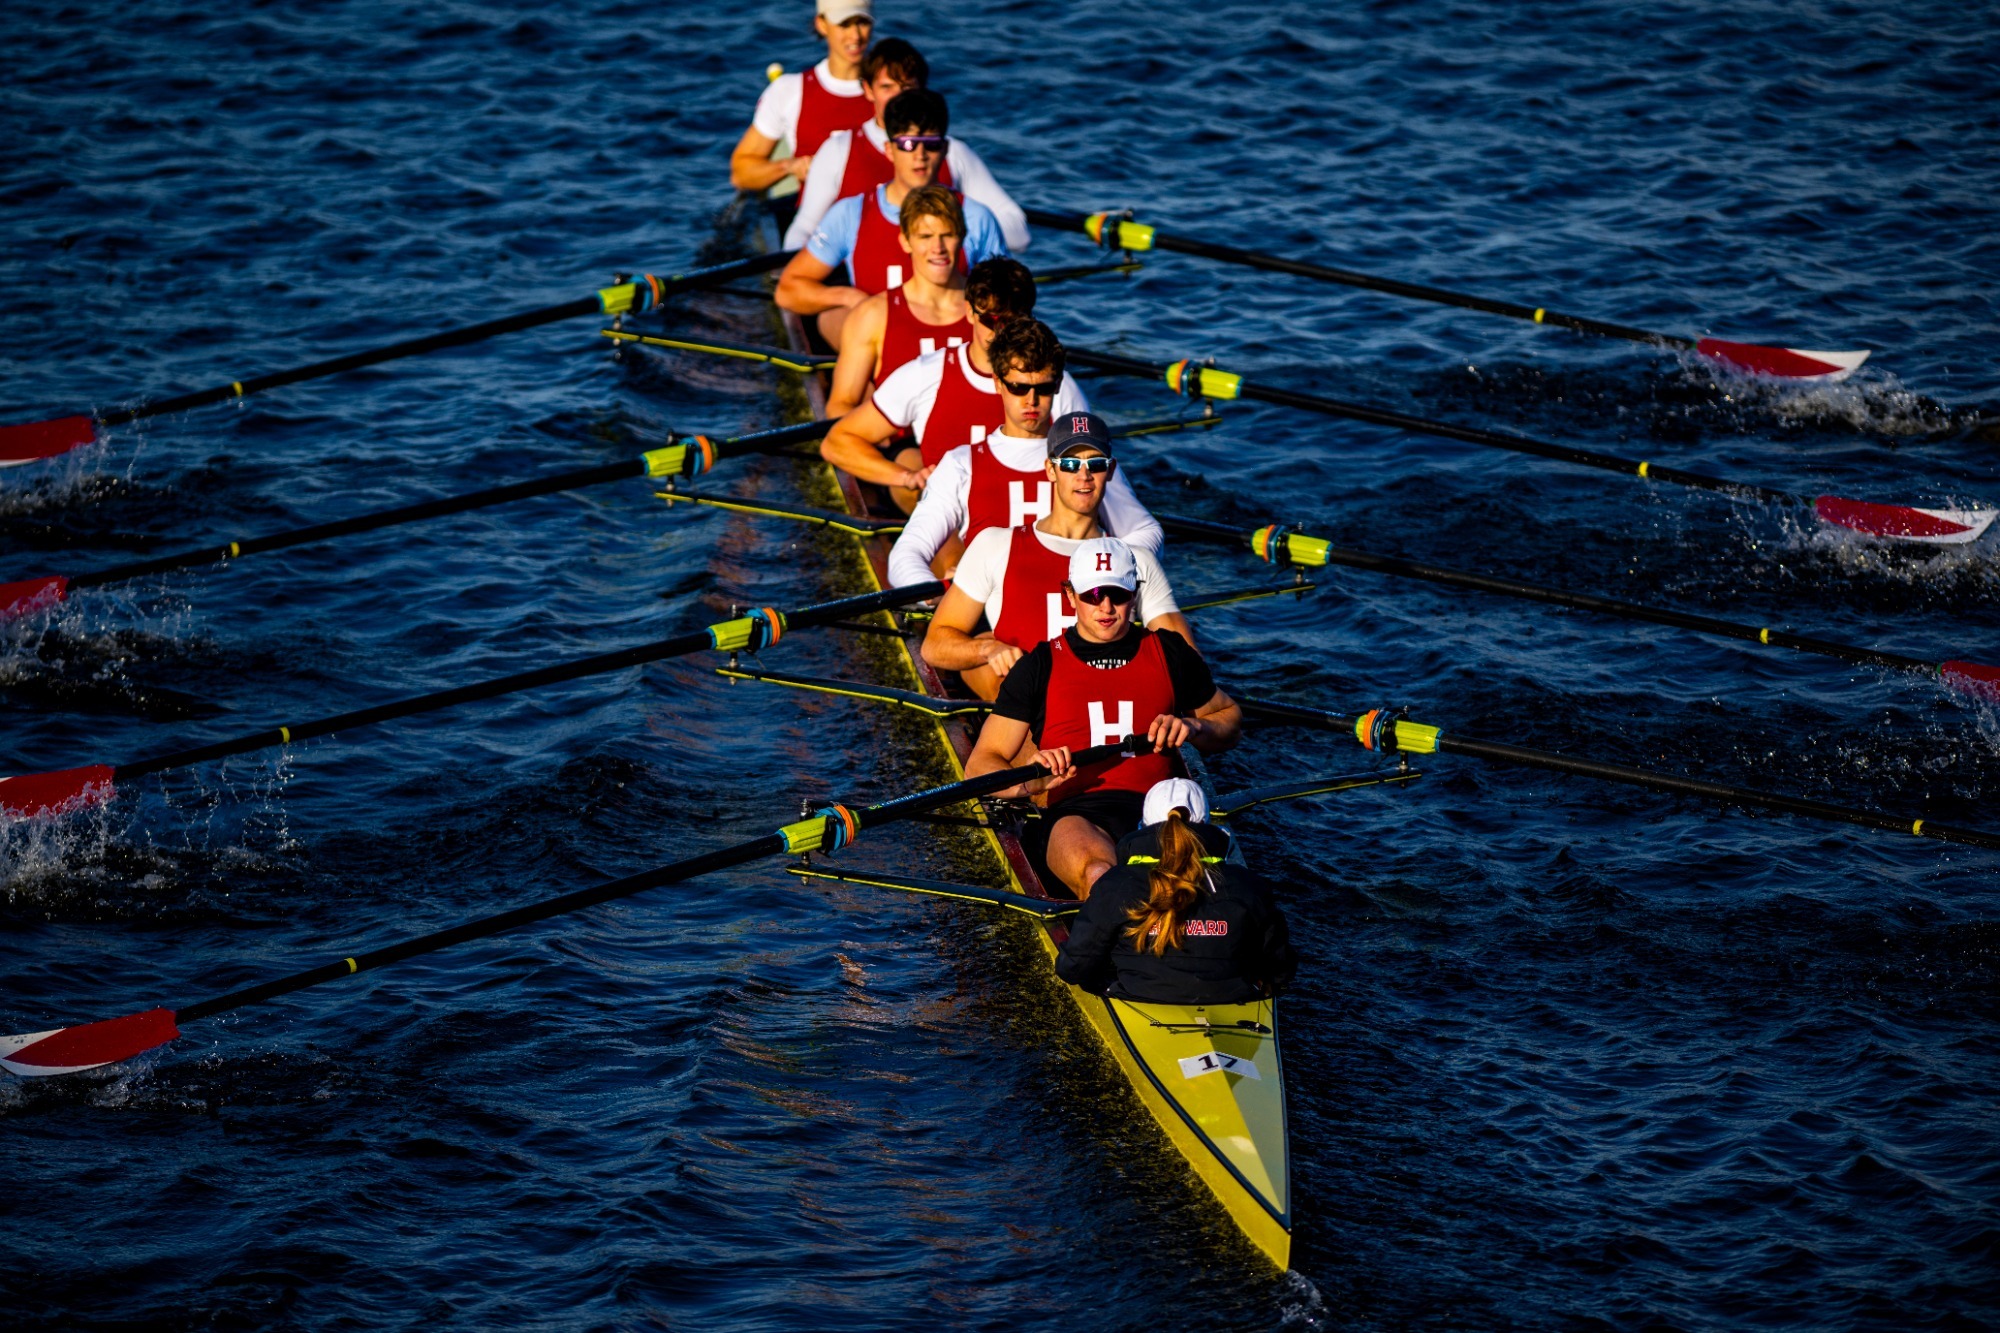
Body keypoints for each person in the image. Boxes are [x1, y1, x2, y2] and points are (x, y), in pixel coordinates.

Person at [965, 538, 1242, 899]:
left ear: (1135, 594)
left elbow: (1231, 719)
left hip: (1162, 811)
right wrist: (1033, 784)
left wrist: (1195, 726)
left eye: (1119, 594)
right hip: (1078, 815)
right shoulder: (1039, 666)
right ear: (1070, 595)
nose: (1106, 607)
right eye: (1092, 595)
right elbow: (980, 766)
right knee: (1100, 875)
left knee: (1178, 894)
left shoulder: (1169, 652)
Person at [921, 410, 1188, 699]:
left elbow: (1187, 665)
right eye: (1071, 464)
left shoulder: (1137, 560)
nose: (1084, 476)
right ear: (1050, 470)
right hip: (1029, 716)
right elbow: (935, 644)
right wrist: (988, 649)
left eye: (1095, 464)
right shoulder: (995, 545)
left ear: (1110, 471)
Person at [879, 320, 1155, 569]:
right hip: (988, 611)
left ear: (1058, 385)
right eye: (1019, 388)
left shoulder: (1086, 461)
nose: (1031, 401)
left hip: (1082, 608)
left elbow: (1146, 531)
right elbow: (907, 553)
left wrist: (1112, 573)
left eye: (1043, 389)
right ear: (998, 383)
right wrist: (934, 591)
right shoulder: (961, 464)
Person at [776, 87, 1011, 346]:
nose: (920, 156)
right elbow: (788, 290)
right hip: (880, 346)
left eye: (930, 144)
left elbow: (1007, 304)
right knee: (834, 320)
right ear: (889, 150)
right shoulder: (850, 213)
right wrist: (848, 297)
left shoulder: (977, 218)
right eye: (908, 144)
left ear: (944, 150)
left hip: (955, 346)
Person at [1054, 777, 1296, 1004]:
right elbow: (1280, 971)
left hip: (1139, 998)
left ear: (1144, 825)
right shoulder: (1250, 885)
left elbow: (1072, 968)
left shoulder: (1116, 884)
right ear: (1206, 825)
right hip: (1230, 1000)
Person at [781, 43, 1027, 255]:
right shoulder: (838, 150)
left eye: (907, 87)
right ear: (868, 90)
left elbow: (1018, 233)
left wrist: (943, 229)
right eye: (887, 87)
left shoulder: (951, 152)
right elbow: (804, 230)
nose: (898, 97)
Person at [823, 183, 974, 418]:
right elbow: (840, 406)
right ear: (905, 241)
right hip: (902, 448)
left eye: (947, 235)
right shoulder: (873, 315)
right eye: (925, 236)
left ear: (962, 236)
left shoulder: (991, 309)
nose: (938, 248)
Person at [729, 0, 875, 195]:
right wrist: (790, 167)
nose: (855, 36)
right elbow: (741, 172)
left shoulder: (891, 90)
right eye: (844, 24)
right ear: (821, 25)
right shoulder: (789, 91)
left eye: (862, 23)